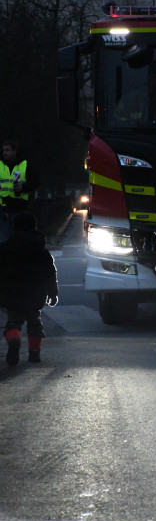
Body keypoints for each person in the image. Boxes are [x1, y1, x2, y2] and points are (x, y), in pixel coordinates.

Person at [0, 211, 58, 366]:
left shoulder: (5, 248)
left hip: (12, 293)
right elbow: (49, 272)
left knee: (13, 321)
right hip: (35, 293)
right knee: (34, 323)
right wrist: (53, 293)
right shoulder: (41, 250)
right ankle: (34, 352)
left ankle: (14, 338)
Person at [0, 140, 39, 242]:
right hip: (3, 208)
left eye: (7, 150)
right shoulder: (0, 165)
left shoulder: (25, 165)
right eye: (4, 150)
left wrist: (23, 187)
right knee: (4, 238)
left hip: (19, 207)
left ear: (15, 151)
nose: (5, 153)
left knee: (20, 238)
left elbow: (35, 182)